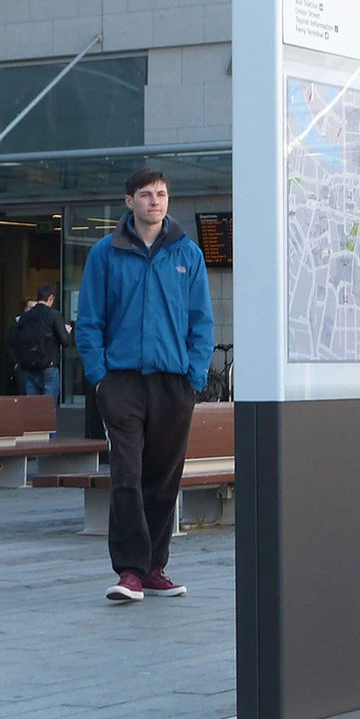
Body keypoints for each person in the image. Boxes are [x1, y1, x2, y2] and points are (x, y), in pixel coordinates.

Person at [76, 167, 214, 603]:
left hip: (174, 384)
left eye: (162, 194)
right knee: (127, 475)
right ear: (129, 201)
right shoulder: (105, 253)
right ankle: (130, 571)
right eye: (147, 194)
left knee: (163, 478)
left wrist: (194, 377)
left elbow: (201, 321)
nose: (156, 201)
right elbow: (90, 321)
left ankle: (155, 567)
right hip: (122, 384)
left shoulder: (187, 255)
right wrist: (100, 379)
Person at [13, 286, 72, 408]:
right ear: (51, 298)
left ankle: (34, 427)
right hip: (48, 367)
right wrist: (66, 332)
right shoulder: (53, 315)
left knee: (32, 409)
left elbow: (16, 340)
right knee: (48, 409)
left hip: (29, 367)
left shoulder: (25, 317)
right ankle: (48, 428)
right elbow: (65, 342)